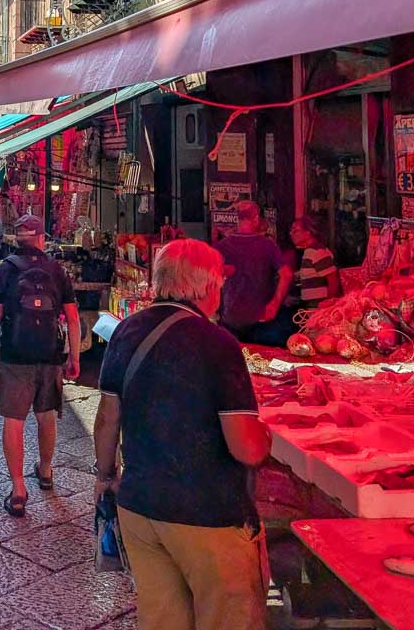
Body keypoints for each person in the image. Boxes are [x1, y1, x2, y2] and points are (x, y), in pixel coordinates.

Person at [94, 239, 272, 630]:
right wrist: (266, 437)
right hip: (207, 516)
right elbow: (246, 447)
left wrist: (105, 476)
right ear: (205, 287)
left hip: (140, 509)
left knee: (162, 619)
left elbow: (107, 419)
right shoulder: (218, 344)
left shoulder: (125, 331)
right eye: (219, 286)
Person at [0, 214, 80, 516]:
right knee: (46, 415)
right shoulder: (57, 270)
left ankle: (17, 488)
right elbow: (73, 317)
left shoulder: (5, 271)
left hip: (15, 354)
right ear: (41, 238)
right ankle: (46, 469)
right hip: (49, 353)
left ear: (16, 238)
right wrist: (75, 356)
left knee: (14, 420)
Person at [215, 200, 293, 346]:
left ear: (237, 218)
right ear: (256, 217)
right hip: (261, 317)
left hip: (230, 316)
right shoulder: (267, 245)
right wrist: (274, 304)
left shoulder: (222, 246)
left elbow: (211, 278)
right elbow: (286, 274)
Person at [289, 215, 340, 308]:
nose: (291, 234)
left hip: (319, 306)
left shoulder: (317, 251)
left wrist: (327, 306)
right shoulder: (309, 252)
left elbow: (333, 281)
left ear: (308, 232)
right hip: (312, 305)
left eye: (295, 230)